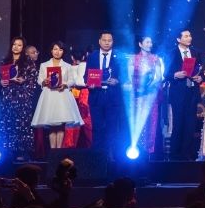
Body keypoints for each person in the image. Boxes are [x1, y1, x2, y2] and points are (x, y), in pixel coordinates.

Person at [31, 41, 84, 149]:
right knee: (52, 125)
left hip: (62, 95)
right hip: (49, 95)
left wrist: (65, 85)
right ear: (51, 51)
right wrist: (44, 81)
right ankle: (52, 151)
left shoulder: (67, 66)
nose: (57, 52)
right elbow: (39, 80)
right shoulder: (44, 65)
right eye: (55, 49)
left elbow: (72, 80)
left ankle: (58, 151)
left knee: (60, 125)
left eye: (60, 49)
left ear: (63, 52)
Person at [84, 31, 126, 159]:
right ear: (99, 41)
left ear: (113, 42)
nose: (107, 42)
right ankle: (97, 158)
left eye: (109, 40)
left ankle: (111, 157)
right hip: (96, 96)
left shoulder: (119, 56)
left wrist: (118, 81)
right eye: (104, 40)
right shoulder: (92, 56)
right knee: (97, 128)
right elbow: (86, 76)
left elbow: (125, 76)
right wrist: (89, 83)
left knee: (112, 128)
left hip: (113, 97)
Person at [0, 36, 39, 161]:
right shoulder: (5, 61)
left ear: (23, 47)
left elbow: (33, 78)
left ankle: (22, 152)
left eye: (19, 45)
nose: (16, 47)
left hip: (22, 97)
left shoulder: (28, 62)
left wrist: (24, 81)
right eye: (14, 44)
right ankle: (7, 152)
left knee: (22, 124)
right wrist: (2, 82)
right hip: (8, 96)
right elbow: (0, 78)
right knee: (8, 122)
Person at [166, 29, 203, 160]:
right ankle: (174, 155)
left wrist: (200, 78)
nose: (189, 38)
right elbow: (165, 73)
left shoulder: (196, 53)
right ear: (178, 39)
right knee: (178, 123)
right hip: (178, 93)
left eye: (190, 35)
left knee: (190, 125)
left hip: (192, 92)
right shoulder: (171, 53)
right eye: (186, 36)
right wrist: (175, 75)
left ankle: (187, 154)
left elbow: (201, 71)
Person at [128, 35, 164, 157]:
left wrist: (148, 86)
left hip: (150, 95)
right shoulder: (133, 59)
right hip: (137, 95)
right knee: (137, 121)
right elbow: (130, 77)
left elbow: (158, 77)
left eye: (151, 42)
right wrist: (138, 87)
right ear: (140, 44)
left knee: (151, 122)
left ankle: (149, 151)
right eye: (147, 42)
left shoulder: (155, 58)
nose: (150, 44)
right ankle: (137, 149)